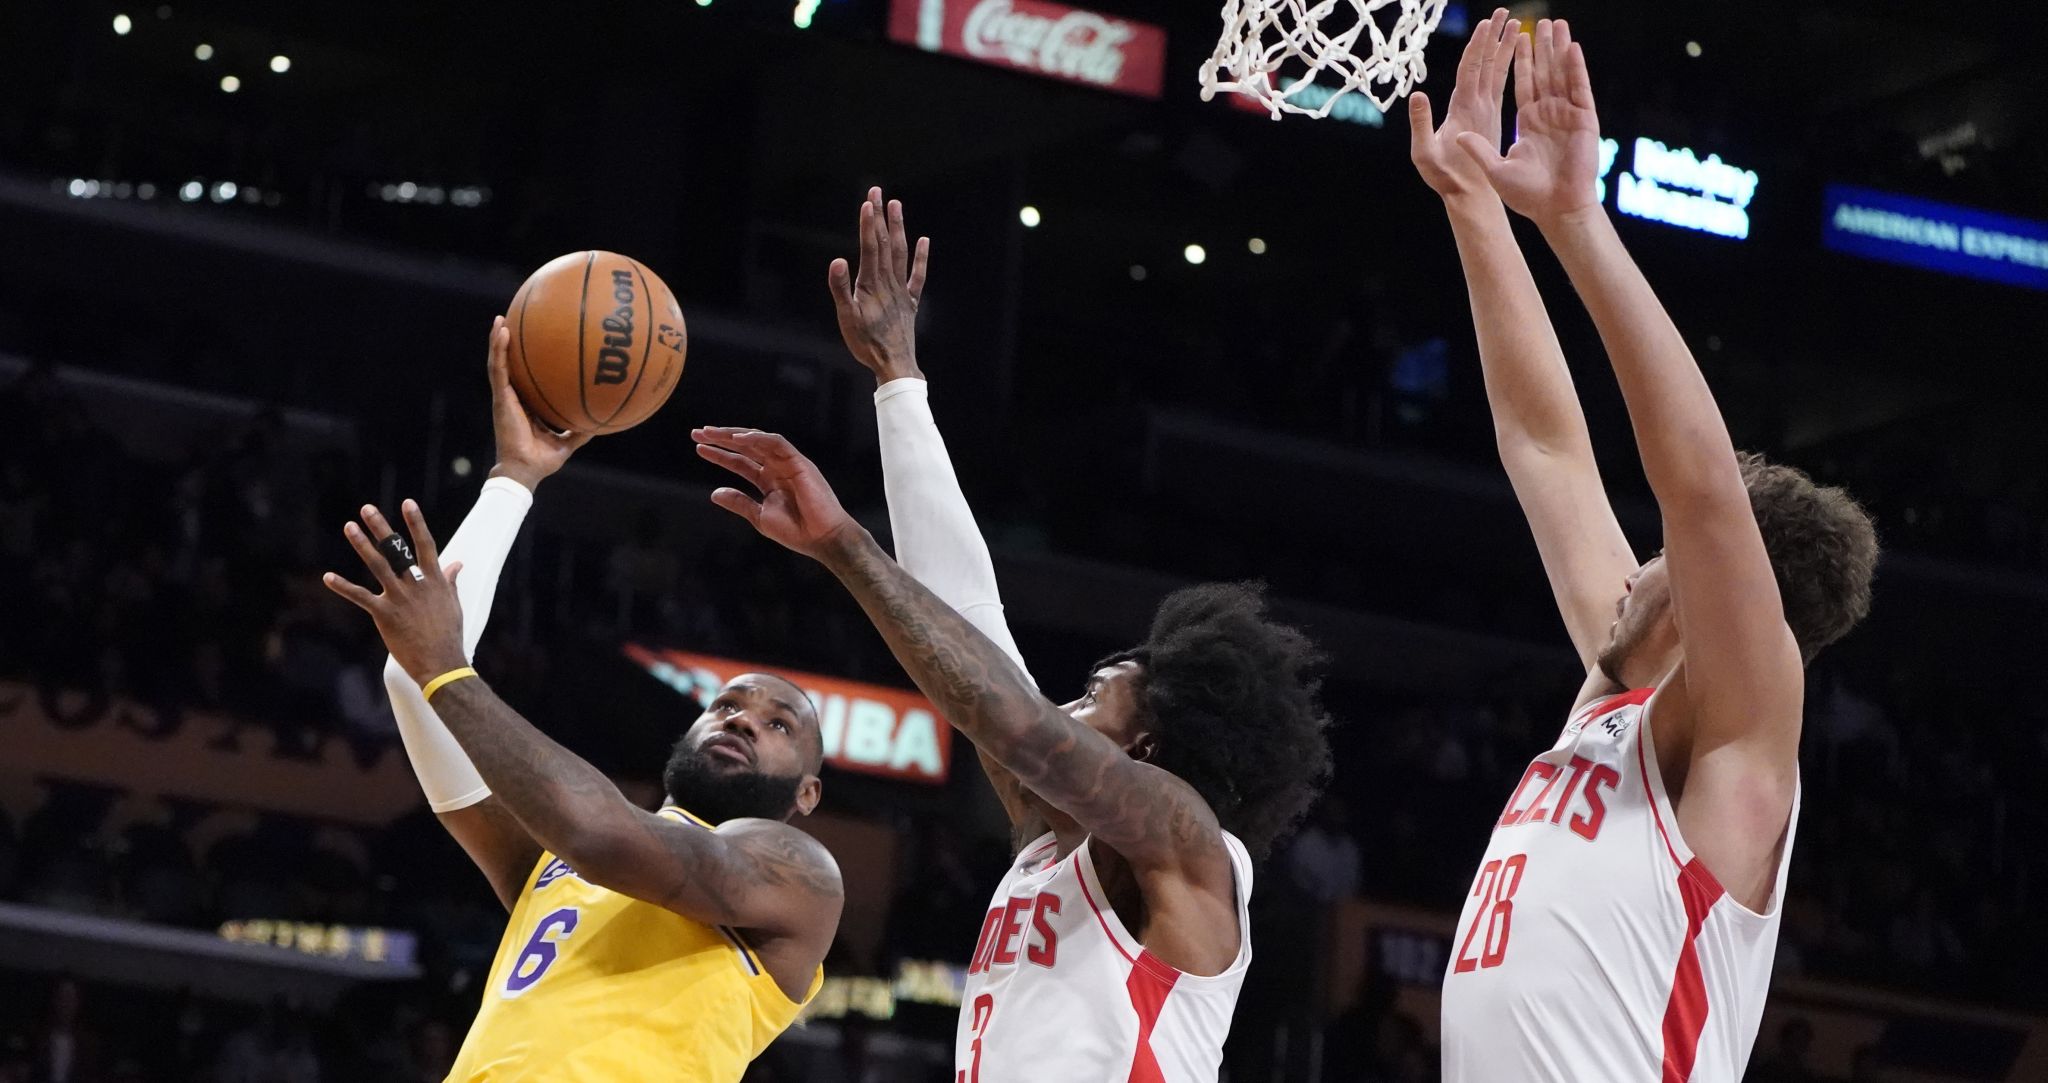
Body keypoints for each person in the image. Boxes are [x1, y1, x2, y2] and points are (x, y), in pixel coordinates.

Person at [690, 190, 1335, 1082]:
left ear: (1146, 744)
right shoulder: (1049, 837)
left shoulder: (1185, 841)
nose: (1063, 703)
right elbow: (969, 620)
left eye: (1093, 694)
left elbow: (1016, 721)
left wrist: (845, 544)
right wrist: (897, 380)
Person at [1407, 13, 1878, 1081]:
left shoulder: (1742, 738)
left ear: (1724, 585)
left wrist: (1577, 220)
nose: (1639, 558)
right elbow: (1542, 447)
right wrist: (1474, 205)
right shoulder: (1621, 694)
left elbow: (1702, 491)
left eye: (1664, 549)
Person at [322, 321, 843, 1081]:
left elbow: (598, 830)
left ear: (808, 789)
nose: (741, 718)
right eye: (726, 705)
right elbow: (418, 680)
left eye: (777, 723)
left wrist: (444, 667)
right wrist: (513, 480)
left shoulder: (799, 874)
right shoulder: (551, 860)